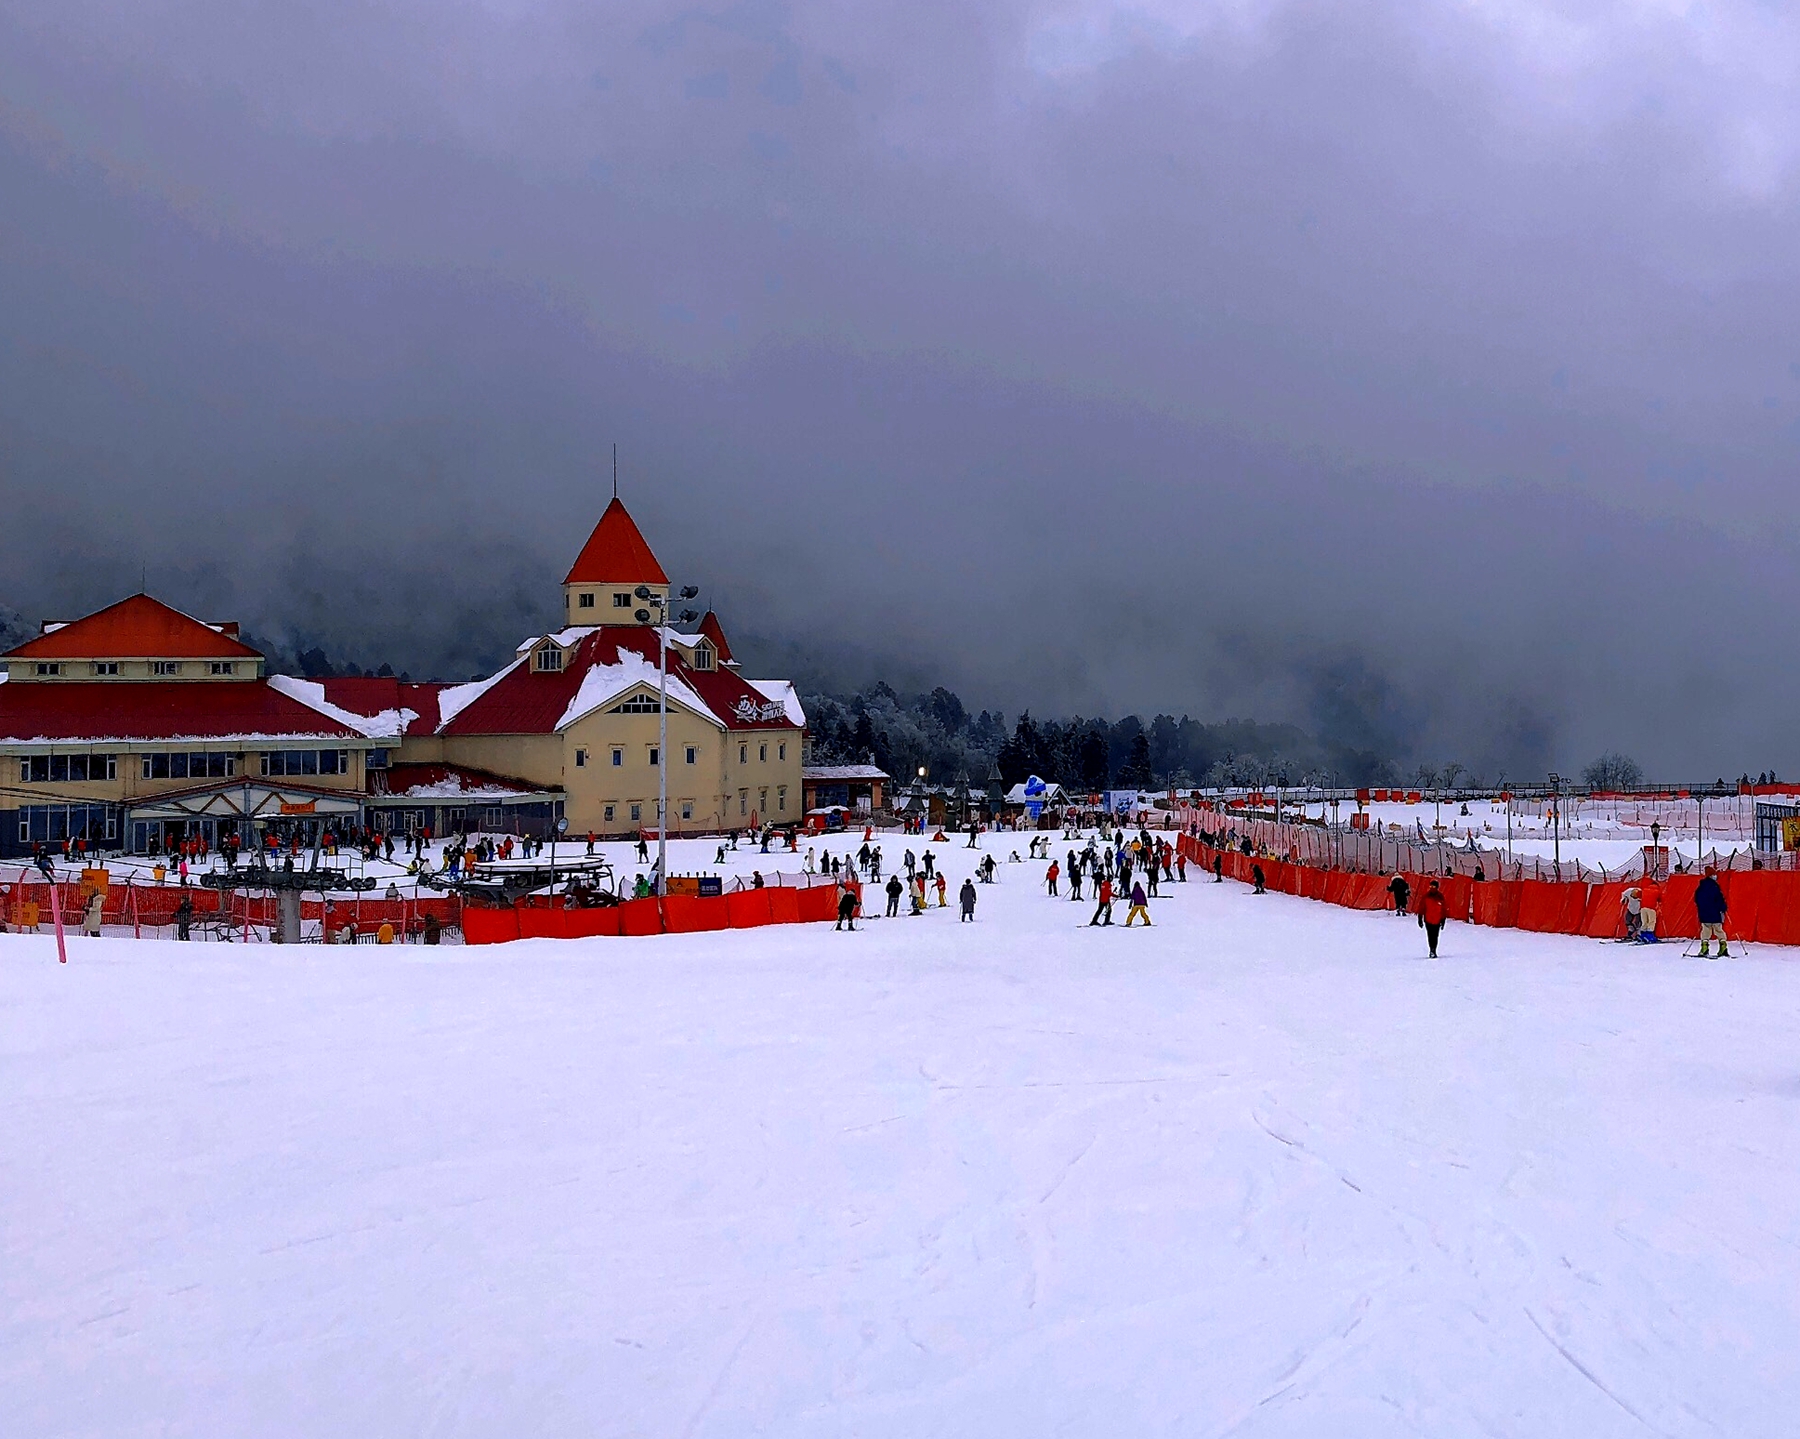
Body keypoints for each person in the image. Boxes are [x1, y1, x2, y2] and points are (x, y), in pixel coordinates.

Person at [1694, 866, 1730, 958]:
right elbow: (1719, 899)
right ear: (1711, 876)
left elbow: (1697, 899)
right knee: (1719, 930)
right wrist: (1723, 907)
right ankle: (1723, 947)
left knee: (1705, 930)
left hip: (1704, 913)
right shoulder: (1715, 886)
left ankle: (1704, 948)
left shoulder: (1700, 887)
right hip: (1715, 913)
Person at [1417, 879, 1448, 959]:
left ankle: (1434, 949)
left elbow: (1443, 909)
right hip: (1428, 919)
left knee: (1435, 936)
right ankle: (1432, 950)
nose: (1432, 888)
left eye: (1433, 886)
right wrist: (1420, 917)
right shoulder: (1426, 896)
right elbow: (1422, 907)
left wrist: (1443, 919)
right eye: (1430, 886)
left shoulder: (1440, 897)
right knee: (1430, 936)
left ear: (1437, 887)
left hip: (1437, 920)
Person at [1638, 876, 1662, 943]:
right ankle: (1650, 937)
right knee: (1651, 922)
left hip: (1643, 908)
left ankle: (1642, 935)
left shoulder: (1644, 889)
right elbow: (1660, 899)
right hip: (1651, 908)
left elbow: (1639, 895)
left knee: (1644, 922)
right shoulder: (1657, 890)